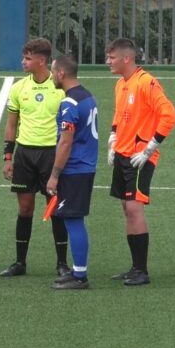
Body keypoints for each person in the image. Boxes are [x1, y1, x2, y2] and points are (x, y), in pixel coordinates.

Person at [105, 38, 175, 286]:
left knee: (135, 208)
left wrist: (150, 149)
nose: (108, 62)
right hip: (123, 154)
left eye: (112, 57)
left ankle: (142, 271)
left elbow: (169, 115)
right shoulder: (120, 84)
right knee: (126, 208)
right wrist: (113, 138)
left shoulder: (146, 82)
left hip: (139, 157)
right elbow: (119, 114)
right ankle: (135, 267)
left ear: (127, 58)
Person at [0, 38, 70, 277]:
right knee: (25, 207)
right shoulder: (19, 88)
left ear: (42, 61)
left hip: (51, 153)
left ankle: (62, 263)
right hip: (25, 154)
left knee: (56, 208)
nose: (23, 62)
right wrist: (8, 157)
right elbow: (11, 125)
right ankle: (20, 262)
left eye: (28, 58)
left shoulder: (60, 87)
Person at [47, 54, 99, 290]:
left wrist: (55, 174)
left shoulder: (69, 103)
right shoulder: (88, 96)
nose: (51, 75)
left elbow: (65, 142)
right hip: (85, 165)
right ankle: (78, 272)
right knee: (72, 218)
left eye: (52, 71)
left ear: (61, 74)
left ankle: (80, 276)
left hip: (75, 168)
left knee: (73, 219)